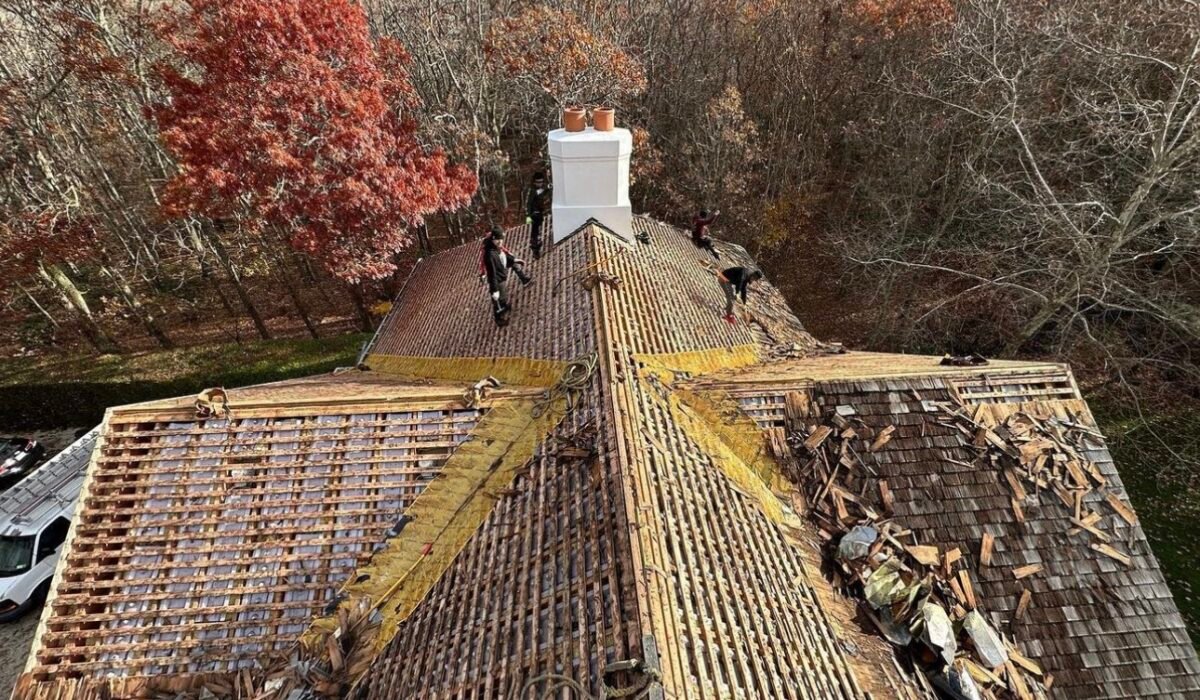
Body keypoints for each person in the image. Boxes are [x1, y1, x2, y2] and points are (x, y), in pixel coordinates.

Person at [478, 226, 532, 326]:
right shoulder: (488, 254)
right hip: (497, 279)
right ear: (493, 238)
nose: (500, 242)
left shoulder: (495, 246)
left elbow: (503, 253)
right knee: (498, 298)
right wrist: (494, 290)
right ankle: (499, 319)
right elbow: (491, 273)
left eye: (501, 240)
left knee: (503, 296)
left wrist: (514, 260)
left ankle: (504, 305)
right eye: (498, 240)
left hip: (501, 273)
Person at [526, 172, 551, 258]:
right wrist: (528, 215)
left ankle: (537, 248)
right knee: (535, 233)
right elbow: (528, 203)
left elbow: (542, 193)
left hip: (539, 213)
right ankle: (535, 249)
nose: (540, 184)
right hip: (534, 214)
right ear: (534, 182)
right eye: (538, 182)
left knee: (537, 231)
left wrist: (548, 188)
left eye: (541, 182)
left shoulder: (539, 191)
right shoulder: (532, 191)